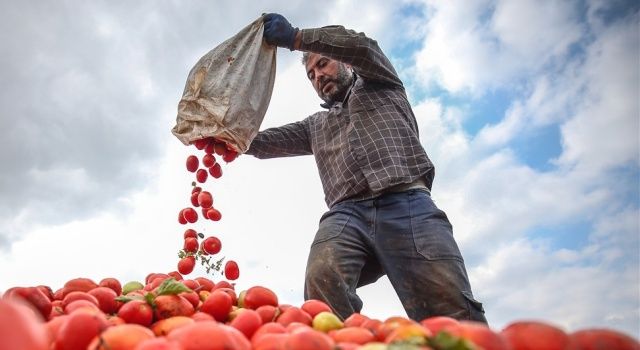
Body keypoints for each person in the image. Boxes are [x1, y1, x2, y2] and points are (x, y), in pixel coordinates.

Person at [245, 13, 487, 323]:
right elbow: (264, 142)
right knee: (322, 275)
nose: (318, 76)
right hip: (347, 215)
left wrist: (296, 38)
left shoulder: (381, 83)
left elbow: (362, 47)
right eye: (311, 74)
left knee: (451, 311)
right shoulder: (315, 125)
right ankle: (344, 341)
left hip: (408, 204)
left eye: (323, 64)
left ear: (344, 62)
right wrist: (224, 138)